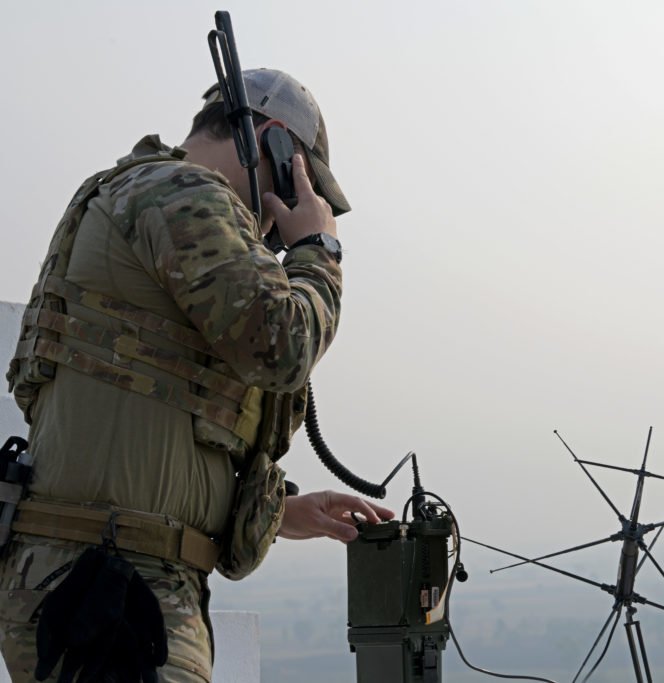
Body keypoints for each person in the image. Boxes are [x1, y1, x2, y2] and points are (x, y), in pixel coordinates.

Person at [0, 69, 393, 682]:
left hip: (106, 578)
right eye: (307, 180)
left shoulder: (148, 196)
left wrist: (280, 511)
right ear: (277, 145)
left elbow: (159, 409)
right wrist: (318, 248)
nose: (307, 196)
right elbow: (282, 345)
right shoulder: (181, 192)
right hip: (110, 581)